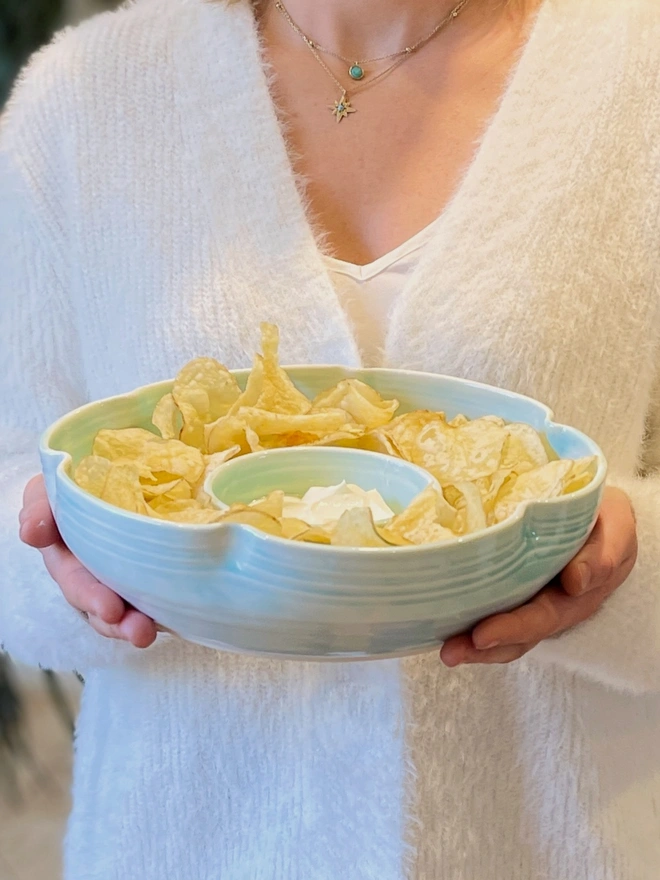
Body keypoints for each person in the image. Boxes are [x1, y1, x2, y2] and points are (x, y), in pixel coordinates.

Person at [1, 0, 658, 876]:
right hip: (186, 841)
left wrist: (619, 567)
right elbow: (14, 464)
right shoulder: (84, 98)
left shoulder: (638, 75)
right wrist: (64, 554)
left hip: (550, 843)